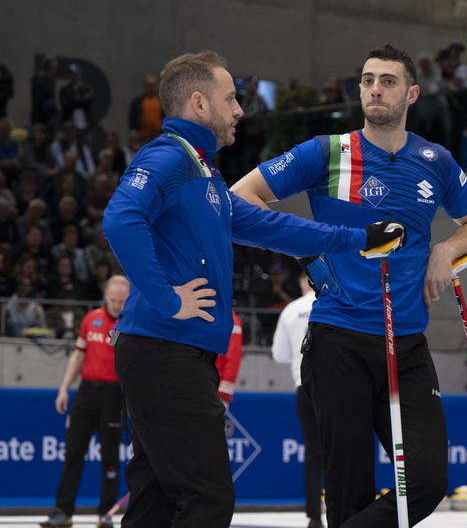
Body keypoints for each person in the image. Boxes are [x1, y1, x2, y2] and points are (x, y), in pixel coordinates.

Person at [102, 50, 405, 528]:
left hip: (174, 352)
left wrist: (359, 239)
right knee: (207, 499)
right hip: (165, 350)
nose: (240, 109)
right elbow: (120, 218)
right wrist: (166, 296)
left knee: (156, 502)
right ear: (199, 104)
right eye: (231, 98)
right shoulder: (167, 158)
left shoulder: (202, 174)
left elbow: (272, 226)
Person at [231, 44, 467, 527]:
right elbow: (241, 198)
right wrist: (309, 251)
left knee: (428, 479)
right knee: (348, 493)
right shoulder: (327, 152)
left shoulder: (434, 160)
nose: (375, 88)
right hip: (339, 342)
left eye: (388, 81)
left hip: (409, 343)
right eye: (368, 79)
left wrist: (446, 250)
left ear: (412, 93)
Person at [41, 276, 130, 528]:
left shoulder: (131, 325)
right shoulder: (91, 320)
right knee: (73, 453)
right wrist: (63, 388)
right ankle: (63, 510)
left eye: (121, 301)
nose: (116, 305)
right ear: (105, 297)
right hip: (87, 392)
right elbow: (78, 355)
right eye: (113, 300)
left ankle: (105, 513)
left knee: (110, 456)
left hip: (115, 394)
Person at [271, 274, 322, 528]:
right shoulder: (335, 301)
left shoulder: (291, 310)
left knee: (314, 455)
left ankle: (314, 516)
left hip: (304, 385)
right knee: (342, 451)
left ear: (303, 283)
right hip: (335, 386)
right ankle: (343, 509)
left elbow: (279, 354)